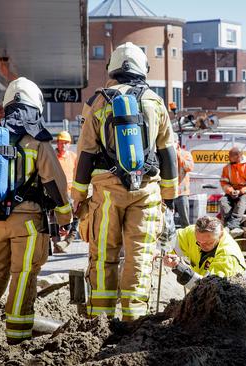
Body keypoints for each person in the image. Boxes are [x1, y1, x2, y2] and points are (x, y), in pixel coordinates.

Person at [0, 77, 72, 353]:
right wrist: (65, 217)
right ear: (35, 106)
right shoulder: (39, 141)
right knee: (23, 276)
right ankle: (17, 339)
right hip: (28, 224)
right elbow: (54, 184)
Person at [72, 42, 178, 321]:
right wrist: (169, 195)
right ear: (144, 69)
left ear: (112, 69)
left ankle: (100, 321)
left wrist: (78, 195)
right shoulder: (155, 102)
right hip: (147, 191)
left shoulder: (98, 101)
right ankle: (135, 319)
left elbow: (85, 152)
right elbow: (168, 151)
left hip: (106, 192)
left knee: (104, 254)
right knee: (140, 257)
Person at [162, 216, 246, 289]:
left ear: (220, 236)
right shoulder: (193, 233)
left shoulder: (227, 256)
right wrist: (161, 251)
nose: (202, 246)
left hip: (227, 298)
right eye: (198, 242)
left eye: (208, 243)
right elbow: (170, 241)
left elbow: (210, 289)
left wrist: (181, 270)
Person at [219, 147, 246, 237]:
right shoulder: (227, 168)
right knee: (222, 201)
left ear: (238, 156)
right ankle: (233, 225)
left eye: (231, 156)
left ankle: (231, 226)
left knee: (242, 200)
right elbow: (224, 183)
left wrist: (240, 191)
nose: (229, 157)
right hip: (233, 193)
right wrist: (231, 191)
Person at [53, 131, 78, 253]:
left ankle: (66, 242)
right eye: (61, 143)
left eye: (66, 143)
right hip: (56, 194)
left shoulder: (73, 157)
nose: (63, 145)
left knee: (76, 218)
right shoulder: (52, 157)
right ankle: (56, 242)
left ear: (69, 144)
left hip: (71, 194)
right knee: (54, 219)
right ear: (57, 143)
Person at [175, 135, 194, 227]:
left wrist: (179, 156)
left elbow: (189, 167)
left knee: (185, 221)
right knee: (166, 220)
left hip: (182, 193)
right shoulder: (164, 154)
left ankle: (187, 238)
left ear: (177, 143)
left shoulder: (186, 154)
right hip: (168, 193)